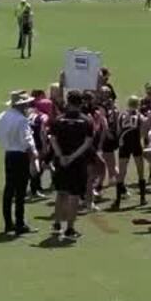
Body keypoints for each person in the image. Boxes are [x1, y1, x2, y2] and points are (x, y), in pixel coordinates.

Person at [49, 93, 94, 241]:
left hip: (61, 162)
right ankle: (70, 228)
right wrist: (72, 157)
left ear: (68, 103)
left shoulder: (59, 120)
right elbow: (87, 143)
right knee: (74, 195)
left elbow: (53, 140)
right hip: (77, 162)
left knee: (61, 193)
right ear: (80, 103)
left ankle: (56, 224)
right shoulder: (86, 120)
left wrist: (61, 156)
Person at [0, 90, 40, 235]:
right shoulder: (21, 120)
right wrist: (34, 158)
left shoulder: (1, 117)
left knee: (9, 189)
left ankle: (9, 223)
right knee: (20, 191)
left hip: (9, 154)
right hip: (20, 156)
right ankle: (19, 223)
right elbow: (27, 142)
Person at [113, 95, 147, 209]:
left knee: (121, 173)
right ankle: (142, 198)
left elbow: (118, 131)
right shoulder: (140, 116)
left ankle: (117, 201)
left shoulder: (121, 116)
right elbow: (143, 132)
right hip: (136, 144)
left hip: (124, 145)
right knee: (140, 171)